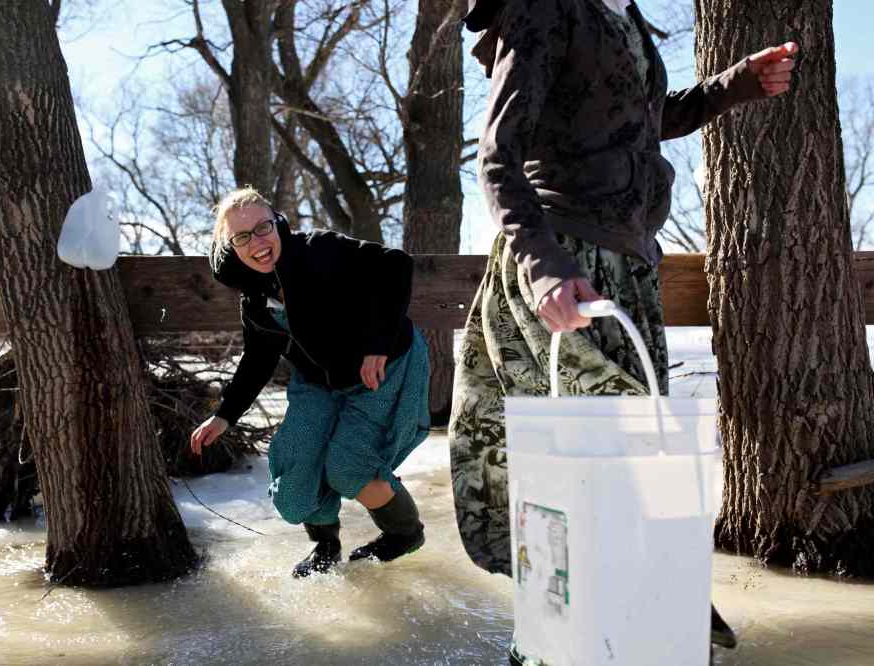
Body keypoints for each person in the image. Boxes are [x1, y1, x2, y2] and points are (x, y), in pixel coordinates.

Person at [450, 0, 797, 662]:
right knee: (603, 460)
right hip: (566, 268)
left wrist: (734, 86)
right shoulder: (548, 8)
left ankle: (646, 621)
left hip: (631, 269)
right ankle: (576, 639)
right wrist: (544, 267)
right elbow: (498, 154)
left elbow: (638, 116)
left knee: (633, 460)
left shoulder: (626, 16)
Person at [190, 187, 431, 579]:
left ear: (277, 223)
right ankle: (325, 542)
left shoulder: (319, 249)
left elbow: (395, 265)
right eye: (242, 236)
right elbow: (258, 358)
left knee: (348, 466)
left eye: (263, 227)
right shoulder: (253, 296)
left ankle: (404, 533)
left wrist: (377, 345)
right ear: (231, 246)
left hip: (383, 365)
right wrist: (225, 416)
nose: (258, 242)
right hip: (320, 381)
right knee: (295, 479)